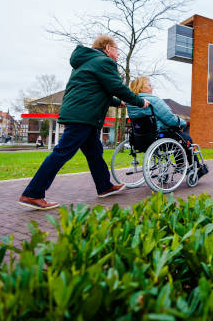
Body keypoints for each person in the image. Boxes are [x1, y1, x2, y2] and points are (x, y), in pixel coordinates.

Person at [18, 36, 150, 210]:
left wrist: (119, 103)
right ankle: (33, 193)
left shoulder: (87, 62)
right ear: (108, 48)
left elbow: (95, 91)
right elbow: (117, 87)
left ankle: (104, 186)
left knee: (95, 153)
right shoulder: (104, 62)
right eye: (117, 49)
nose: (118, 54)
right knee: (62, 153)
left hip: (81, 113)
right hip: (83, 117)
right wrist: (140, 102)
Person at [127, 77, 208, 177]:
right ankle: (193, 167)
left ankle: (181, 164)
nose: (151, 87)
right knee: (185, 138)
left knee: (178, 136)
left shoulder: (130, 102)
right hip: (157, 137)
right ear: (141, 88)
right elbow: (170, 118)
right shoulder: (153, 100)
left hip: (140, 139)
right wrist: (182, 123)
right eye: (149, 85)